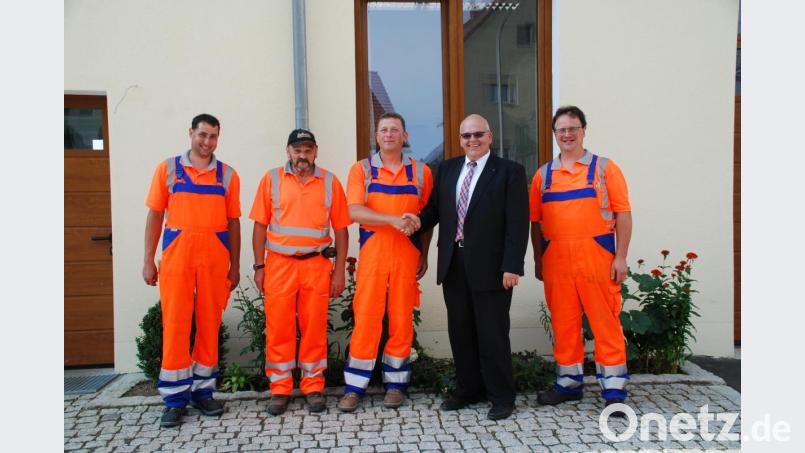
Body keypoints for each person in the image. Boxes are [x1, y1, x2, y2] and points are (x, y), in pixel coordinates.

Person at [415, 114, 529, 421]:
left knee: (492, 334)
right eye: (466, 135)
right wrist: (416, 221)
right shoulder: (448, 169)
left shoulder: (510, 172)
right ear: (460, 138)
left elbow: (517, 224)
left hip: (493, 268)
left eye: (478, 134)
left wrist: (512, 265)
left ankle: (502, 397)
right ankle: (468, 389)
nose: (472, 140)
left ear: (490, 136)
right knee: (461, 332)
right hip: (454, 263)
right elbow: (435, 211)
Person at [529, 105, 633, 413]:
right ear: (555, 134)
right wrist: (538, 260)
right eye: (562, 129)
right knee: (564, 324)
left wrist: (621, 256)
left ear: (584, 130)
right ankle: (568, 384)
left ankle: (614, 390)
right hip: (557, 260)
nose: (568, 134)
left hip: (597, 257)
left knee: (606, 322)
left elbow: (623, 215)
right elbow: (535, 223)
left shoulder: (605, 169)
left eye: (573, 128)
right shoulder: (543, 176)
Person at [143, 113, 241, 428]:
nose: (207, 142)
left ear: (219, 137)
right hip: (177, 255)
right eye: (202, 135)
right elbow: (156, 214)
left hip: (214, 257)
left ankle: (203, 393)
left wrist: (235, 264)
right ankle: (174, 399)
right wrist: (148, 259)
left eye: (213, 136)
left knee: (209, 324)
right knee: (175, 324)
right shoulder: (168, 169)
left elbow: (234, 222)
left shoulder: (227, 175)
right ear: (191, 133)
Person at [249, 129, 350, 415]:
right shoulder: (271, 179)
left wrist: (339, 271)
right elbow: (259, 226)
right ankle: (280, 388)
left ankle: (313, 386)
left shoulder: (330, 182)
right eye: (297, 149)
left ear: (316, 150)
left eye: (307, 149)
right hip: (279, 264)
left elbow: (341, 231)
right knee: (279, 327)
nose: (302, 155)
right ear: (288, 151)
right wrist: (259, 267)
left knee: (314, 328)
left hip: (316, 265)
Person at [337, 112, 433, 412]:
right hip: (374, 254)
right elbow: (354, 211)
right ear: (376, 136)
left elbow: (427, 219)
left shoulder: (421, 172)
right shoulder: (361, 170)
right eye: (383, 130)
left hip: (406, 255)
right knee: (366, 318)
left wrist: (424, 254)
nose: (389, 134)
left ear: (405, 136)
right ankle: (355, 387)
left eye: (395, 130)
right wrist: (392, 220)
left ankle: (396, 385)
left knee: (402, 320)